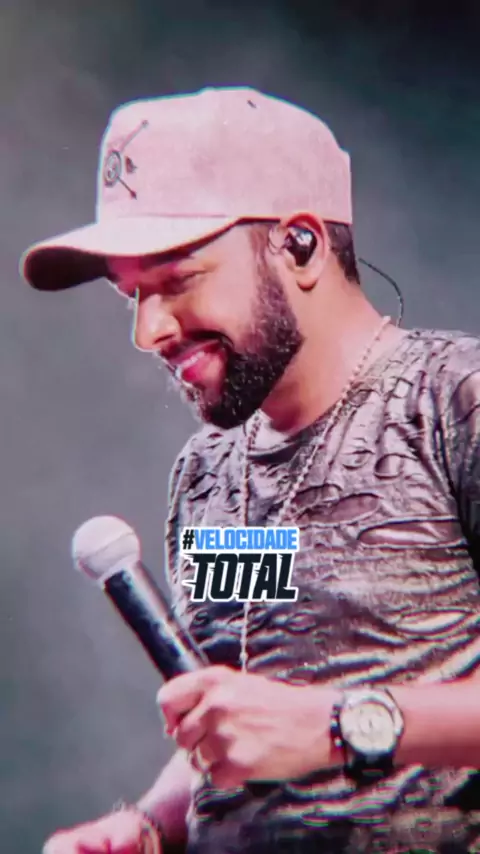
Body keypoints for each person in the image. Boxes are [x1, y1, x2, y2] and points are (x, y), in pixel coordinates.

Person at [21, 86, 480, 854]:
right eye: (132, 297)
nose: (147, 331)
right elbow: (249, 717)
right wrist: (148, 825)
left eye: (176, 281)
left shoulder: (454, 402)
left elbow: (303, 725)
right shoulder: (206, 473)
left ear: (299, 245)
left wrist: (338, 727)